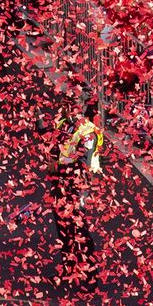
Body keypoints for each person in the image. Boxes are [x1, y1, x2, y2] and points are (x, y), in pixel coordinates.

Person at [46, 100, 106, 281]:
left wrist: (57, 167)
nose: (65, 109)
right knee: (63, 226)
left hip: (77, 184)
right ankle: (69, 269)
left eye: (71, 105)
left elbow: (83, 163)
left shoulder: (87, 133)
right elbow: (55, 143)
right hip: (60, 182)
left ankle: (89, 275)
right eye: (64, 104)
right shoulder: (65, 123)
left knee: (78, 228)